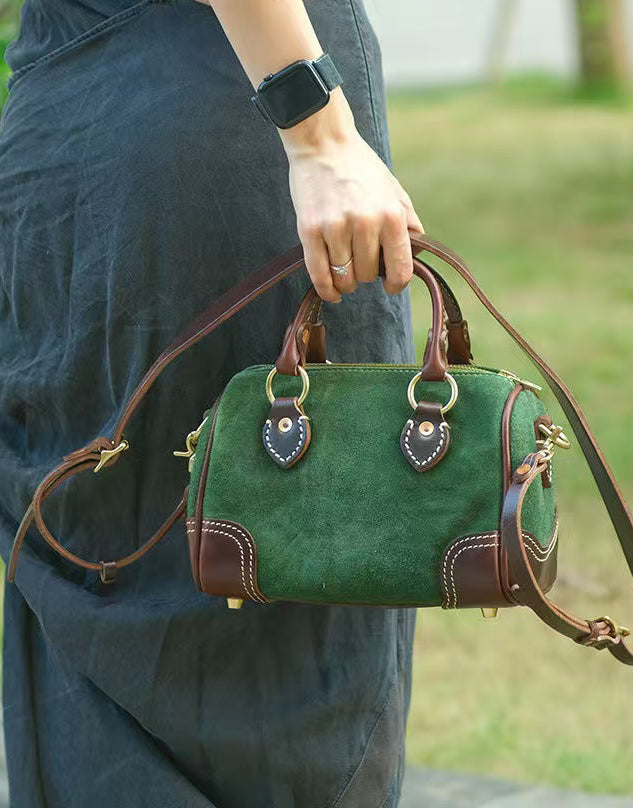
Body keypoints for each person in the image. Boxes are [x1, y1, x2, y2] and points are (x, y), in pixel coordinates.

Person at [0, 0, 425, 805]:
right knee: (292, 593)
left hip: (69, 123)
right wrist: (318, 130)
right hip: (236, 114)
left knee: (99, 583)